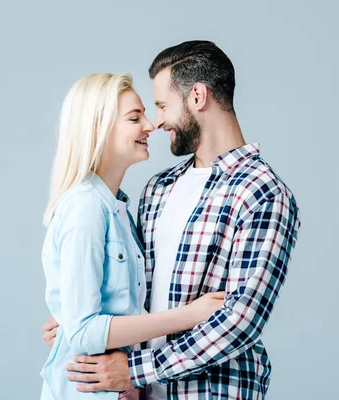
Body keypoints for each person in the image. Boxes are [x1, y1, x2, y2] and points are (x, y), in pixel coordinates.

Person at [42, 41, 301, 400]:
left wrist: (133, 371)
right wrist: (79, 323)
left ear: (197, 96)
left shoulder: (261, 193)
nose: (156, 121)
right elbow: (132, 291)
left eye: (162, 106)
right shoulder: (158, 189)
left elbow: (240, 322)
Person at [39, 72, 225, 400]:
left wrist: (130, 377)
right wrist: (188, 315)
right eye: (134, 117)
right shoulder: (86, 207)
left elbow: (102, 314)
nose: (150, 126)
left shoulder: (119, 209)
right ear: (98, 128)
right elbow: (85, 332)